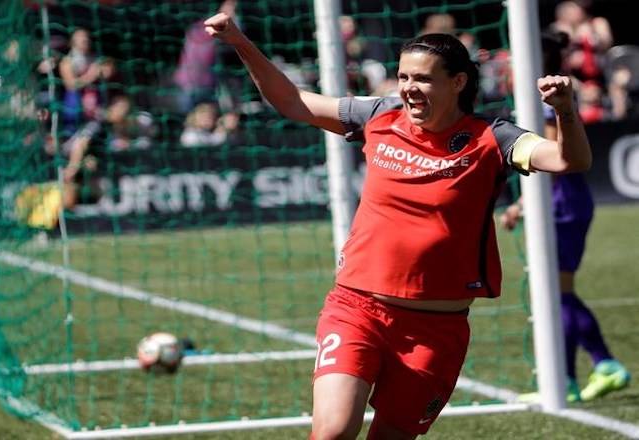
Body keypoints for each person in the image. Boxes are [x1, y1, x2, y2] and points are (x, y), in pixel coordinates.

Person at [205, 13, 592, 439]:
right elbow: (293, 101)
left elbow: (567, 160)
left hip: (436, 330)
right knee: (332, 432)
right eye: (403, 76)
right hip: (357, 310)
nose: (408, 87)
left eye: (422, 79)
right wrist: (239, 40)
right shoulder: (379, 116)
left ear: (458, 82)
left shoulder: (493, 138)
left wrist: (565, 113)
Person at [500, 29, 630, 404]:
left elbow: (556, 158)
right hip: (561, 202)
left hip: (562, 204)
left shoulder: (544, 106)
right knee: (557, 293)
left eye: (513, 57)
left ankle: (599, 366)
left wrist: (524, 204)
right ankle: (571, 378)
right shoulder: (535, 102)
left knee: (558, 293)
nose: (508, 64)